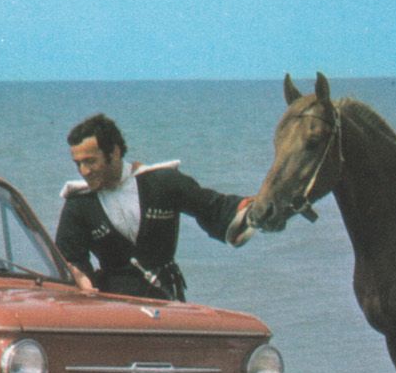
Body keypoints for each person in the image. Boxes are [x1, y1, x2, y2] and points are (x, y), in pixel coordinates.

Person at [55, 113, 250, 301]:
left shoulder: (162, 182)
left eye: (90, 161)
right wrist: (84, 284)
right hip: (114, 304)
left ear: (114, 152)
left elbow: (215, 208)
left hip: (166, 297)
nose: (84, 171)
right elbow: (69, 260)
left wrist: (256, 210)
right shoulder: (78, 204)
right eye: (78, 164)